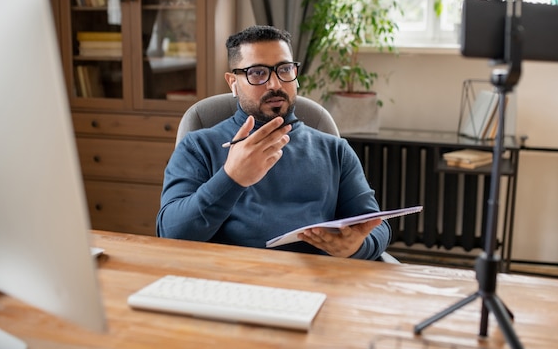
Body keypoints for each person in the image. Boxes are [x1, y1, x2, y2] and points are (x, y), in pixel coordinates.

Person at [156, 25, 391, 260]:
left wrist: (357, 247)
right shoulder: (199, 146)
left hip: (315, 281)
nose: (275, 84)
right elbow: (171, 232)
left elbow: (375, 225)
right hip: (231, 281)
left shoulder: (335, 150)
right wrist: (231, 178)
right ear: (233, 83)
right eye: (258, 72)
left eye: (284, 69)